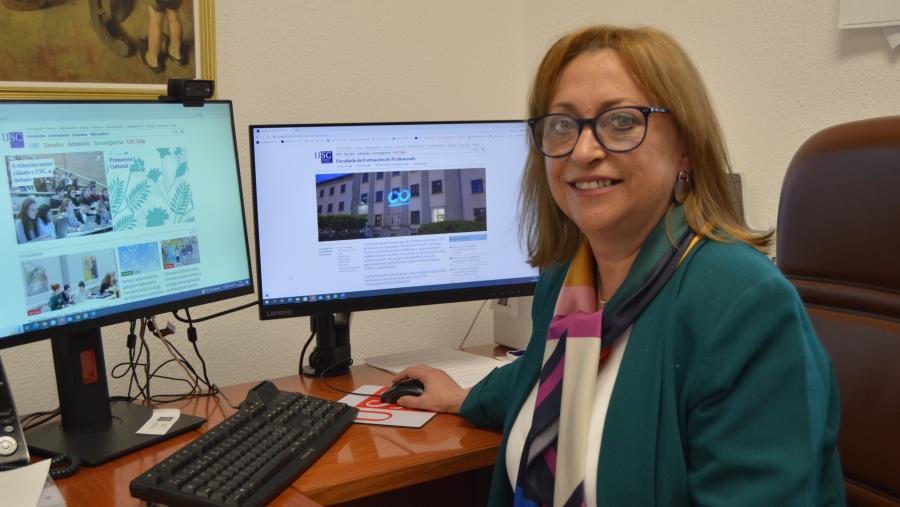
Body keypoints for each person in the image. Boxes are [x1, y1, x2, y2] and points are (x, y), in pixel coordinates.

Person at [392, 25, 844, 506]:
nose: (584, 151)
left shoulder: (741, 303)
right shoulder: (569, 279)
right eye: (563, 125)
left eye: (622, 121)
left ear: (686, 146)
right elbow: (553, 377)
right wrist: (463, 397)